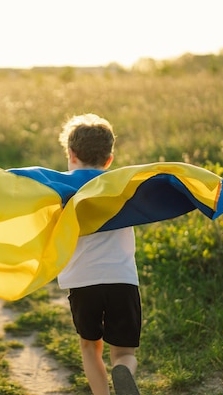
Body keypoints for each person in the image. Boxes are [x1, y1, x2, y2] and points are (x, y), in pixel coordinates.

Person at [57, 114, 141, 395]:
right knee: (124, 352)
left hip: (83, 282)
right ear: (109, 159)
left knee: (90, 347)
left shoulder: (62, 190)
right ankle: (123, 371)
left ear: (71, 154)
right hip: (122, 280)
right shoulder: (123, 187)